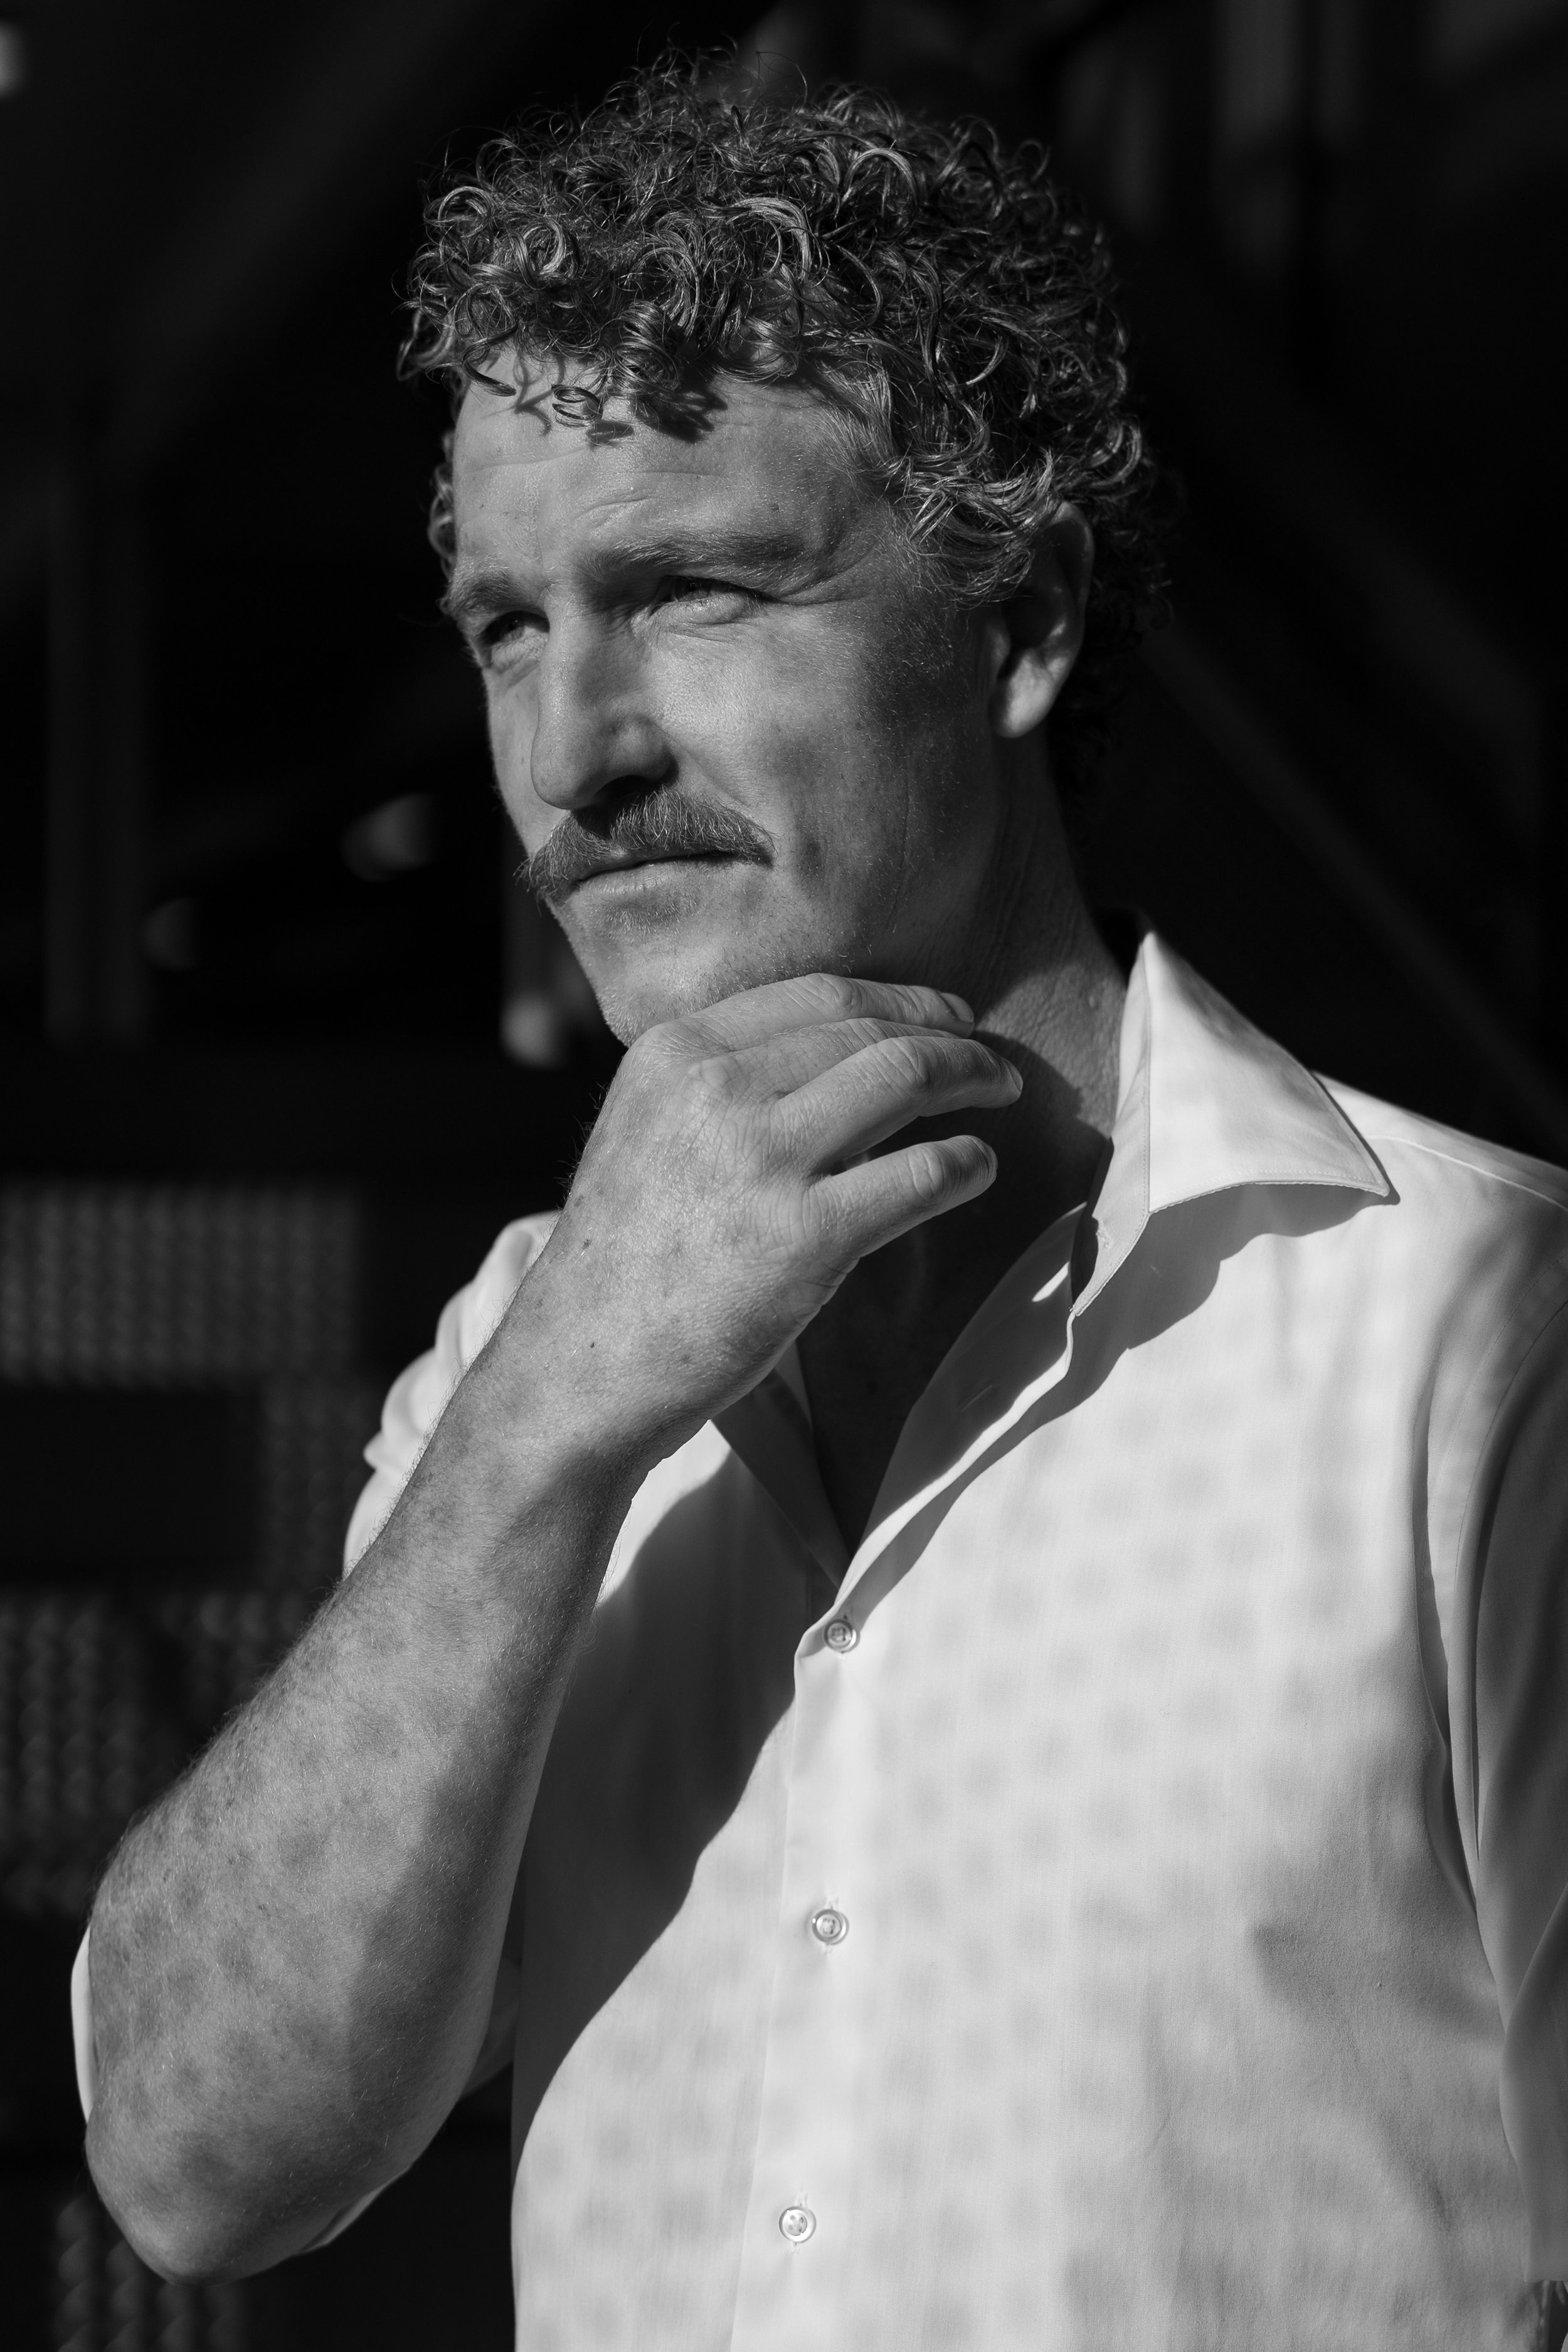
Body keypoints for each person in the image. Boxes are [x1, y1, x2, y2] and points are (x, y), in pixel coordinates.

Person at [75, 60, 1568, 2349]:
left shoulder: (1462, 1330)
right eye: (504, 627)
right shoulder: (521, 1366)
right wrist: (559, 1406)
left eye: (688, 592)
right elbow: (193, 2166)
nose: (573, 756)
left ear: (1020, 623)